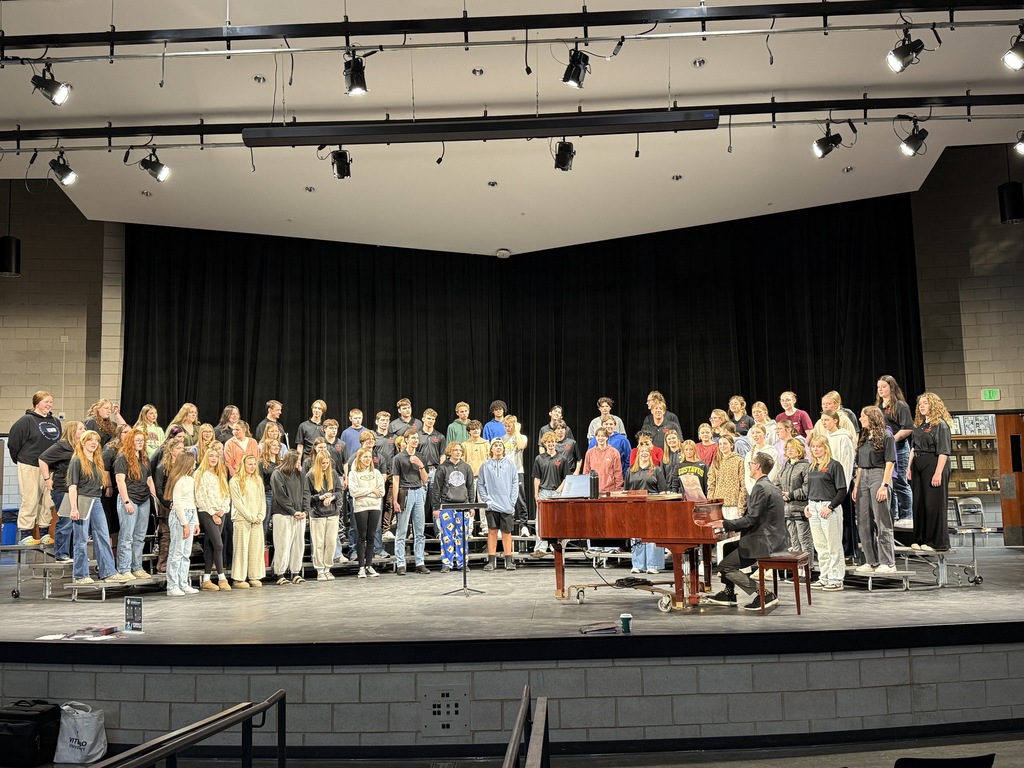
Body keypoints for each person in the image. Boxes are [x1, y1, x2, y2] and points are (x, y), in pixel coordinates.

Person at [705, 452, 787, 611]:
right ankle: (728, 593)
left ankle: (764, 593)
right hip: (772, 538)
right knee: (728, 548)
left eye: (751, 463)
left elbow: (751, 519)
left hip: (764, 542)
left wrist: (724, 524)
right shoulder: (771, 486)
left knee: (726, 566)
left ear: (757, 466)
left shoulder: (760, 487)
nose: (749, 466)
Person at [9, 391, 61, 545]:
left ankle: (44, 533)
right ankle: (26, 533)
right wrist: (20, 459)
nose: (49, 405)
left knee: (47, 501)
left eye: (51, 402)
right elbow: (13, 443)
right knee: (30, 499)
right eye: (46, 402)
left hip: (50, 467)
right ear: (37, 403)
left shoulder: (56, 422)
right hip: (30, 464)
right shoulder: (26, 421)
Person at [68, 430, 119, 584]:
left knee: (103, 535)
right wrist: (74, 508)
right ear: (83, 442)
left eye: (96, 440)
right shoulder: (77, 461)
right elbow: (72, 486)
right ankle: (80, 575)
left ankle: (109, 571)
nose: (94, 442)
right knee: (81, 539)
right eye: (90, 439)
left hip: (96, 501)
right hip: (82, 500)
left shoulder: (97, 461)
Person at [854, 406, 898, 575]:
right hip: (863, 476)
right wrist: (856, 486)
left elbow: (890, 462)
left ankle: (888, 562)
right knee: (863, 520)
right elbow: (859, 464)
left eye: (862, 416)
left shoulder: (886, 435)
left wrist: (884, 485)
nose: (860, 419)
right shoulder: (864, 436)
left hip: (879, 475)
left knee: (882, 520)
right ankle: (871, 560)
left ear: (872, 417)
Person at [908, 392, 953, 552]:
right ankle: (920, 538)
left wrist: (938, 473)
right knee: (919, 503)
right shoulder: (920, 426)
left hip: (934, 464)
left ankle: (935, 541)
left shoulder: (940, 425)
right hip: (918, 464)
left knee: (932, 504)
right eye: (920, 403)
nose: (921, 406)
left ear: (933, 405)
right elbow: (913, 448)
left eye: (925, 403)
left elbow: (944, 452)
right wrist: (909, 467)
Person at [39, 420, 85, 563]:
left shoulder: (81, 447)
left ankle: (73, 554)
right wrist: (47, 479)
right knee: (65, 521)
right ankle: (61, 554)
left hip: (77, 490)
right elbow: (42, 459)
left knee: (76, 523)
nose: (84, 431)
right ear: (73, 431)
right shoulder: (62, 446)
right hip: (62, 488)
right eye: (81, 428)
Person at [806, 434, 848, 590]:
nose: (816, 449)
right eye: (814, 447)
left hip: (828, 507)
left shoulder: (834, 465)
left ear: (825, 447)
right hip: (814, 507)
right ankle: (824, 576)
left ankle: (836, 579)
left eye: (819, 446)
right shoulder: (812, 466)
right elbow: (811, 488)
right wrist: (807, 504)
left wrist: (830, 507)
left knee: (833, 545)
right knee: (820, 546)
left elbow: (842, 490)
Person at [114, 427, 156, 580]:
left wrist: (154, 498)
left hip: (144, 499)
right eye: (137, 440)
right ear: (130, 441)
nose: (140, 442)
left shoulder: (145, 459)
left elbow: (149, 479)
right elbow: (120, 481)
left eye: (142, 440)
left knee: (140, 536)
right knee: (127, 536)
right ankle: (124, 568)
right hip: (130, 499)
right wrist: (126, 502)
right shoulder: (122, 458)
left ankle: (136, 567)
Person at [430, 442, 476, 573]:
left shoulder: (466, 467)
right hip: (446, 506)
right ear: (450, 451)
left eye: (460, 450)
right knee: (447, 535)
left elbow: (470, 487)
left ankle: (462, 562)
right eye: (455, 450)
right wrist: (436, 507)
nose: (458, 452)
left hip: (463, 506)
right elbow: (436, 489)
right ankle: (447, 563)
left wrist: (471, 505)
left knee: (463, 535)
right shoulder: (443, 467)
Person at [820, 409, 857, 562]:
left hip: (842, 484)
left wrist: (844, 485)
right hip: (829, 484)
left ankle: (849, 552)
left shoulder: (843, 437)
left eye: (827, 420)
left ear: (835, 420)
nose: (824, 423)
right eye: (822, 420)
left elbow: (847, 462)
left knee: (846, 519)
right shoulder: (826, 438)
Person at [877, 375, 915, 522]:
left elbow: (908, 428)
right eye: (878, 387)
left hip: (899, 448)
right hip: (884, 451)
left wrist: (891, 440)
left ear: (891, 387)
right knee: (888, 482)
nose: (880, 389)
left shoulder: (900, 406)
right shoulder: (879, 407)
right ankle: (893, 515)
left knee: (900, 482)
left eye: (883, 386)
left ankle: (907, 516)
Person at [195, 442, 232, 591]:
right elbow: (200, 496)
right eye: (210, 456)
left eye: (216, 456)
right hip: (206, 512)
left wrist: (223, 510)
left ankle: (206, 579)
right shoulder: (199, 474)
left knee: (211, 544)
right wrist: (212, 513)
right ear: (205, 457)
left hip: (221, 512)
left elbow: (226, 494)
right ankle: (222, 577)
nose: (213, 458)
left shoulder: (221, 473)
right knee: (219, 544)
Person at [392, 430, 430, 575]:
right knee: (402, 530)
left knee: (419, 530)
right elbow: (395, 480)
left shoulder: (421, 456)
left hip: (419, 491)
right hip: (405, 492)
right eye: (412, 438)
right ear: (406, 440)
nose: (415, 440)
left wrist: (420, 465)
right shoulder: (399, 458)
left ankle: (419, 562)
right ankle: (401, 563)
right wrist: (395, 500)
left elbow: (425, 479)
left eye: (417, 438)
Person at [477, 438, 519, 571]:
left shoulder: (510, 464)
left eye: (500, 445)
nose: (498, 447)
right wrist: (486, 500)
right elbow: (480, 484)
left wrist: (512, 501)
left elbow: (514, 484)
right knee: (492, 532)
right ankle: (491, 561)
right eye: (495, 445)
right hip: (491, 505)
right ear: (491, 449)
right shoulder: (485, 465)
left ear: (503, 449)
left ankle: (508, 560)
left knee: (507, 533)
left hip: (506, 504)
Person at [625, 443, 665, 574]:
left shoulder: (656, 470)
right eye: (641, 451)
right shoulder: (630, 470)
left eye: (646, 452)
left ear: (650, 454)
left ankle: (653, 564)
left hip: (653, 505)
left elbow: (663, 490)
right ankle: (638, 564)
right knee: (636, 535)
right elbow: (626, 490)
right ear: (637, 454)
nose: (644, 453)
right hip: (635, 506)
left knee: (653, 534)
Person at [530, 431, 571, 558]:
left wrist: (559, 490)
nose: (551, 444)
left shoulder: (562, 458)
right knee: (540, 522)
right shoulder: (539, 459)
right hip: (544, 493)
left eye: (553, 442)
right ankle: (540, 548)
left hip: (557, 493)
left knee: (558, 522)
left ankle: (557, 548)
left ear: (556, 442)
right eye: (548, 442)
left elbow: (567, 478)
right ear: (545, 443)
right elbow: (536, 478)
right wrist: (536, 494)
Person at [229, 453, 267, 588]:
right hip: (242, 519)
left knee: (255, 548)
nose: (252, 467)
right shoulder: (235, 480)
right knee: (242, 548)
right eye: (249, 464)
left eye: (254, 464)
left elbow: (262, 499)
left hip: (257, 519)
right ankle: (238, 578)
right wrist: (250, 516)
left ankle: (254, 575)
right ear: (243, 465)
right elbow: (238, 502)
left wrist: (261, 515)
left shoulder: (258, 480)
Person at [271, 450, 307, 585]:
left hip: (299, 515)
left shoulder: (300, 475)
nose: (299, 463)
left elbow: (306, 493)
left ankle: (295, 572)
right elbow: (280, 496)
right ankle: (280, 573)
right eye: (297, 460)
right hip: (283, 514)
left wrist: (305, 511)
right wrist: (293, 511)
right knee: (283, 544)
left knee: (299, 545)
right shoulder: (278, 474)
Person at [348, 446, 385, 578]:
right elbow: (353, 491)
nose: (368, 459)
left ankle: (369, 565)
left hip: (374, 507)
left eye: (369, 457)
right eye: (365, 457)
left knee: (371, 536)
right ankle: (361, 567)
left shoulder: (376, 473)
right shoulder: (353, 474)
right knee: (362, 536)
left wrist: (364, 493)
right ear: (359, 458)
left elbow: (381, 492)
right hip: (361, 508)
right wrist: (371, 490)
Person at [305, 451, 341, 581]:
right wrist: (319, 497)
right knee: (319, 543)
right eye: (322, 463)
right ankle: (320, 570)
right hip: (317, 515)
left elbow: (339, 492)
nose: (325, 465)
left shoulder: (333, 474)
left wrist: (332, 497)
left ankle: (328, 568)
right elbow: (306, 496)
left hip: (332, 513)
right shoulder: (310, 475)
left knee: (331, 542)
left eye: (327, 463)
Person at [151, 434, 185, 573]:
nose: (182, 450)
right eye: (179, 448)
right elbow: (158, 488)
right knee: (166, 535)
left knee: (179, 535)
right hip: (167, 505)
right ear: (171, 450)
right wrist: (167, 503)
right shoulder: (162, 467)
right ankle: (162, 564)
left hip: (180, 503)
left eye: (183, 448)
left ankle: (177, 565)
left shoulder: (183, 466)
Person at [774, 438, 811, 560]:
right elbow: (777, 483)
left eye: (792, 447)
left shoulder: (806, 467)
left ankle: (807, 571)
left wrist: (790, 495)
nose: (789, 450)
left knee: (804, 541)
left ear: (799, 449)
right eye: (787, 448)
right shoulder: (785, 466)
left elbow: (806, 490)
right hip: (787, 511)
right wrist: (780, 494)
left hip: (800, 510)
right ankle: (798, 571)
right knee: (794, 543)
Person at [500, 415, 531, 536]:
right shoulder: (501, 439)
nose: (507, 428)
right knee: (506, 499)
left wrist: (517, 431)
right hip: (504, 472)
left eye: (510, 426)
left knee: (520, 499)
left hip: (517, 471)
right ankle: (508, 525)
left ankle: (524, 526)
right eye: (505, 426)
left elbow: (521, 446)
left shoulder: (521, 437)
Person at [462, 420, 491, 536]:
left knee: (483, 503)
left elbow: (489, 460)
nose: (476, 431)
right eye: (473, 429)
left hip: (483, 478)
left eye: (478, 428)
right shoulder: (465, 445)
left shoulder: (486, 443)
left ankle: (485, 527)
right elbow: (463, 462)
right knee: (470, 503)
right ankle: (468, 528)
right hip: (470, 478)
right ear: (469, 431)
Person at [582, 427, 623, 493]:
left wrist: (618, 490)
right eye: (598, 436)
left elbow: (618, 473)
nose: (600, 438)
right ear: (595, 437)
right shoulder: (589, 453)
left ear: (607, 437)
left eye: (603, 436)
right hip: (593, 490)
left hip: (609, 491)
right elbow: (586, 472)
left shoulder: (614, 452)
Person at [744, 424, 778, 493]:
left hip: (767, 489)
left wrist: (763, 486)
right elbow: (747, 474)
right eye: (753, 433)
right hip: (753, 490)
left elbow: (774, 472)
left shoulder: (772, 451)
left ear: (764, 435)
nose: (755, 435)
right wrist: (752, 490)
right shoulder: (749, 454)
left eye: (758, 432)